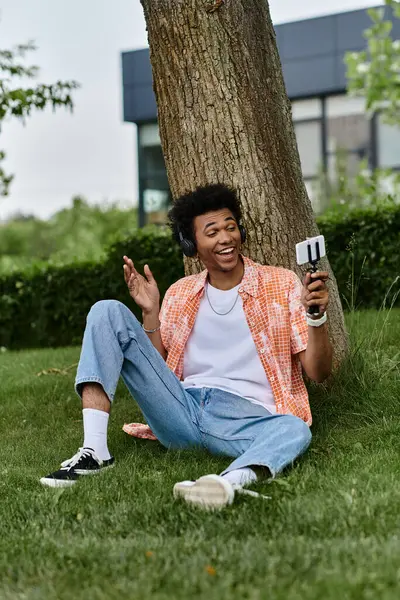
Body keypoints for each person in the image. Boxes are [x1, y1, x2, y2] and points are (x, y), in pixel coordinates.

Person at [40, 184, 332, 509]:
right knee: (106, 310)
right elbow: (159, 369)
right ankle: (94, 451)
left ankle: (229, 483)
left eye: (231, 227)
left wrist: (315, 317)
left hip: (248, 417)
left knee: (295, 429)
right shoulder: (181, 293)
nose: (225, 238)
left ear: (242, 232)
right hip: (182, 407)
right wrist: (151, 313)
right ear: (192, 244)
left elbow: (318, 372)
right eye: (212, 232)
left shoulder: (281, 284)